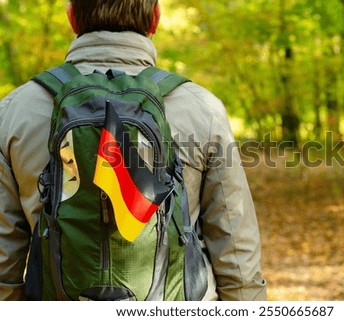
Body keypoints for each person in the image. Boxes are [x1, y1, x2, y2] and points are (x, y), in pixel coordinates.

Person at [0, 0, 266, 301]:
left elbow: (3, 265)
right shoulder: (201, 108)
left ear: (72, 17)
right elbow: (236, 251)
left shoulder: (14, 112)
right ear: (155, 19)